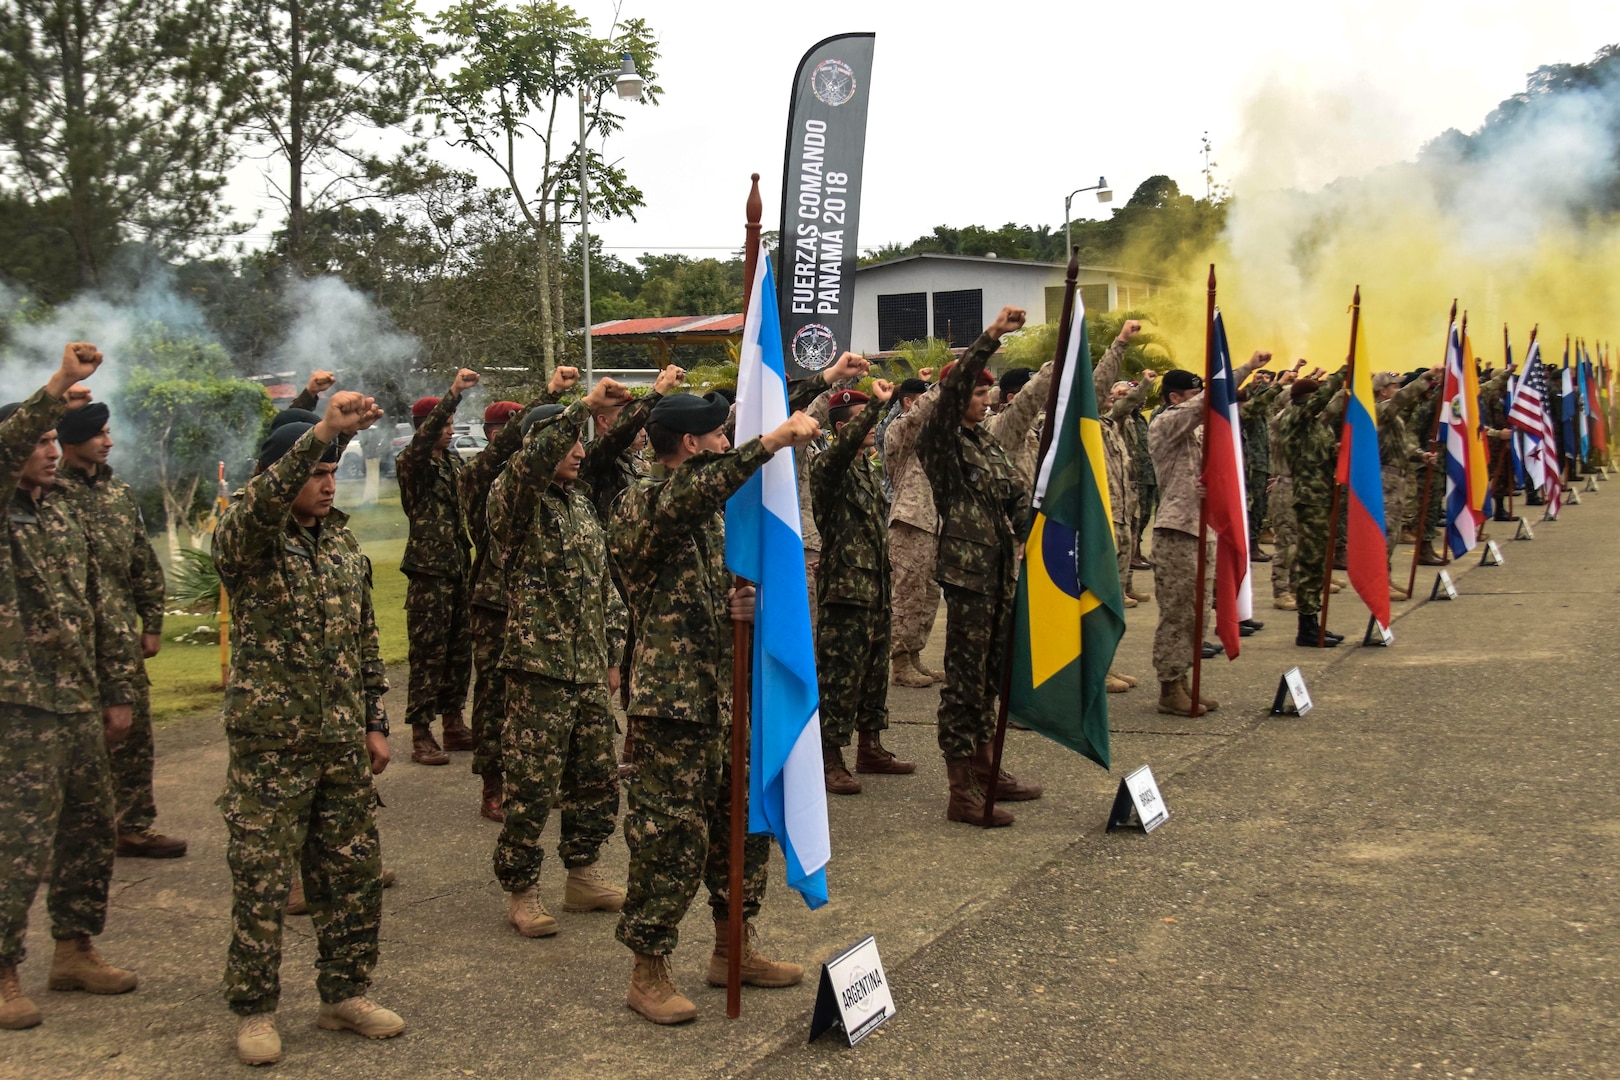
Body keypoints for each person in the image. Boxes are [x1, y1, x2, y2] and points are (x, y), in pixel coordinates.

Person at [610, 391, 819, 1025]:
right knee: (669, 838)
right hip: (672, 706)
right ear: (692, 443)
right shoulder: (644, 500)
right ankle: (647, 972)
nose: (726, 440)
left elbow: (714, 570)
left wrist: (742, 606)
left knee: (743, 828)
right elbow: (693, 494)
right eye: (717, 434)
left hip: (729, 697)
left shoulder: (705, 512)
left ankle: (734, 947)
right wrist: (772, 442)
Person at [213, 390, 401, 1065]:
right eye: (316, 470)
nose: (327, 482)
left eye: (332, 470)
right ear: (284, 474)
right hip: (273, 749)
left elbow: (365, 642)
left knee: (352, 873)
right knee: (261, 882)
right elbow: (259, 507)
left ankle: (344, 993)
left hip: (341, 743)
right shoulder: (250, 542)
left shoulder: (343, 546)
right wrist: (321, 427)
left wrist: (376, 721)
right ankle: (255, 1009)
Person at [0, 344, 140, 1033]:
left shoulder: (62, 510)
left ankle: (74, 948)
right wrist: (60, 386)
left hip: (80, 696)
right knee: (16, 841)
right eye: (43, 441)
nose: (52, 452)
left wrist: (117, 689)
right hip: (18, 705)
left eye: (59, 441)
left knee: (88, 830)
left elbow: (98, 604)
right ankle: (2, 970)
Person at [489, 381, 633, 939]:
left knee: (596, 778)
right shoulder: (515, 500)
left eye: (581, 439)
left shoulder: (577, 503)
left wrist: (614, 652)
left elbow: (605, 586)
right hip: (539, 669)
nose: (579, 449)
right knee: (530, 784)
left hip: (588, 667)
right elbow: (527, 468)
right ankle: (522, 890)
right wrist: (580, 408)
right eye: (570, 440)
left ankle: (582, 874)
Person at [916, 306, 1042, 827]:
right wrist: (990, 335)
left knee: (992, 674)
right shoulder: (940, 439)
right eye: (975, 392)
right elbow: (952, 389)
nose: (983, 398)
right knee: (964, 682)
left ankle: (988, 769)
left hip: (997, 571)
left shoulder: (985, 441)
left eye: (987, 393)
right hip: (967, 575)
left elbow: (1014, 491)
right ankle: (959, 787)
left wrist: (1036, 518)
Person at [53, 397, 185, 858]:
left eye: (108, 432)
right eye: (98, 434)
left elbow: (142, 565)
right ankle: (58, 841)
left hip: (118, 640)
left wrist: (152, 622)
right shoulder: (47, 494)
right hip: (66, 645)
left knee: (133, 734)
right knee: (70, 745)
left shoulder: (118, 493)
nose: (109, 441)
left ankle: (132, 825)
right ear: (69, 442)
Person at [461, 369, 575, 822]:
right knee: (493, 699)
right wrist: (546, 397)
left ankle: (536, 780)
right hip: (495, 603)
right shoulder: (483, 478)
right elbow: (503, 453)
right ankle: (493, 784)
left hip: (537, 606)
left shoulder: (559, 492)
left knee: (536, 703)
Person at [1148, 351, 1274, 714]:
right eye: (1192, 393)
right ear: (1174, 398)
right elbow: (1205, 404)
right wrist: (1245, 369)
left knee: (1197, 611)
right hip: (1176, 529)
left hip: (1201, 528)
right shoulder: (1165, 423)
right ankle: (1169, 687)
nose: (1198, 399)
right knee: (1178, 612)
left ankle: (1185, 678)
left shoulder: (1197, 429)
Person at [810, 382, 916, 795]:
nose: (869, 427)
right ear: (840, 428)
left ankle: (870, 746)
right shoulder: (828, 467)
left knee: (874, 672)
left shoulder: (865, 470)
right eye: (859, 421)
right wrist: (876, 405)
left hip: (875, 585)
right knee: (840, 675)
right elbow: (841, 448)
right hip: (845, 590)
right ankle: (829, 756)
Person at [398, 369, 480, 765]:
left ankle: (453, 723)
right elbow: (420, 445)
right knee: (428, 654)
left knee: (458, 651)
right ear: (426, 427)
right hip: (428, 572)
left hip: (457, 567)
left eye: (451, 424)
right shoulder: (412, 463)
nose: (450, 430)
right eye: (444, 424)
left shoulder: (451, 463)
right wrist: (453, 394)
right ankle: (420, 732)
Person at [883, 369, 946, 688]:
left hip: (931, 520)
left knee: (929, 592)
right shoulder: (901, 428)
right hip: (910, 519)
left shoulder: (931, 435)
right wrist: (947, 382)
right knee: (908, 591)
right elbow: (920, 414)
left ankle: (915, 655)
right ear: (909, 403)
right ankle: (900, 662)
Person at [1279, 370, 1350, 647]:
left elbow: (1316, 455)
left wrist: (1336, 451)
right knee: (1310, 562)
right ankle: (1306, 626)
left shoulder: (1315, 425)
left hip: (1323, 496)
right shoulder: (1294, 418)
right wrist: (1344, 372)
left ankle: (1314, 622)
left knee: (1319, 561)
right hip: (1309, 499)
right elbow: (1320, 402)